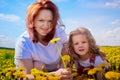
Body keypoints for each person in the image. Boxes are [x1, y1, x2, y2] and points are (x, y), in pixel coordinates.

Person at [14, 0, 72, 79]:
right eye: (41, 20)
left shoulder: (59, 31)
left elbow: (66, 47)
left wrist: (63, 69)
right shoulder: (23, 42)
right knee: (37, 65)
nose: (46, 26)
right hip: (37, 74)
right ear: (32, 21)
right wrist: (53, 75)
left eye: (50, 21)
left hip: (56, 69)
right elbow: (25, 77)